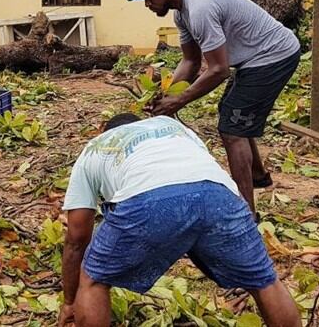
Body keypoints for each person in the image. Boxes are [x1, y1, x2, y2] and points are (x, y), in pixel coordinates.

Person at [57, 113, 300, 327]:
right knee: (264, 280)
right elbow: (193, 184)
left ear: (106, 132)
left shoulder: (96, 147)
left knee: (93, 280)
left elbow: (77, 238)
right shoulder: (174, 128)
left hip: (148, 201)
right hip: (220, 196)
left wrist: (70, 301)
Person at [128, 0, 301, 213]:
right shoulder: (182, 14)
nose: (147, 3)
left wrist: (179, 101)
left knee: (232, 130)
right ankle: (258, 175)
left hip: (274, 55)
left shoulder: (200, 9)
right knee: (232, 113)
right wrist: (165, 95)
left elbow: (219, 70)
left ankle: (245, 212)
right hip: (253, 58)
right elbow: (191, 61)